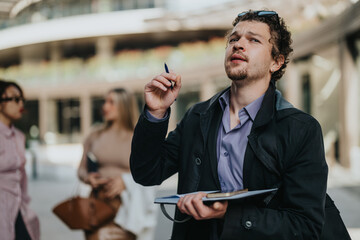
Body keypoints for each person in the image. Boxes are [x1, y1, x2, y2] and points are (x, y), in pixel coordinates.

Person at [130, 10, 331, 240]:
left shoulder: (301, 129)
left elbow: (305, 226)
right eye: (233, 39)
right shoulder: (198, 116)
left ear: (276, 62)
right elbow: (146, 173)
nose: (238, 45)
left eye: (253, 40)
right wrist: (155, 113)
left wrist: (229, 213)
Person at [78, 88, 157, 240]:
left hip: (126, 209)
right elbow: (81, 170)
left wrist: (126, 182)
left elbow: (150, 174)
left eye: (111, 102)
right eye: (105, 102)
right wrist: (88, 178)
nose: (105, 107)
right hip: (97, 205)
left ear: (125, 106)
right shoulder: (94, 135)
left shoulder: (138, 137)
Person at [0, 80, 40, 240]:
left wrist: (25, 203)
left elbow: (22, 174)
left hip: (18, 209)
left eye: (22, 99)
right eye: (15, 99)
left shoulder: (19, 136)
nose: (20, 103)